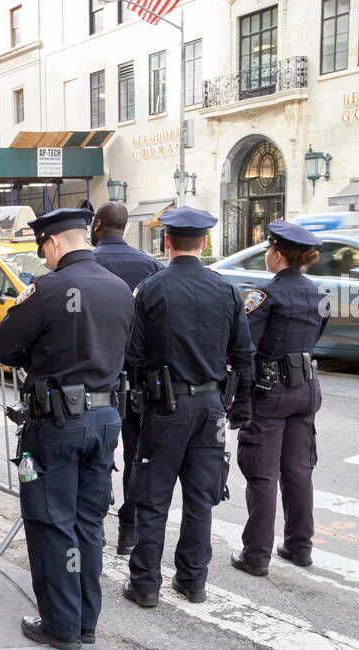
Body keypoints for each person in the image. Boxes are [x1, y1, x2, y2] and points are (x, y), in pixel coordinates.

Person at [0, 208, 132, 650]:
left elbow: (1, 347)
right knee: (88, 521)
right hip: (105, 420)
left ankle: (61, 626)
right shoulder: (120, 288)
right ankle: (86, 620)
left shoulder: (49, 289)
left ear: (51, 243)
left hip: (56, 423)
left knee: (51, 521)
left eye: (41, 248)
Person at [123, 206, 254, 608]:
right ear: (204, 243)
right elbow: (244, 354)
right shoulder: (227, 289)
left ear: (167, 242)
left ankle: (146, 585)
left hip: (166, 406)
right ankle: (193, 580)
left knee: (153, 497)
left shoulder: (151, 289)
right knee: (201, 499)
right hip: (212, 405)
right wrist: (242, 404)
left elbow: (133, 354)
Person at [230, 220, 329, 575]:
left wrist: (239, 395)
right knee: (299, 471)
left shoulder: (264, 294)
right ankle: (300, 545)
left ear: (277, 254)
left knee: (262, 473)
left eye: (269, 250)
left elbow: (246, 347)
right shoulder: (319, 293)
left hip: (271, 392)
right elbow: (315, 338)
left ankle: (256, 556)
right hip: (306, 388)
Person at [90, 201, 162, 556]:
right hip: (137, 375)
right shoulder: (150, 266)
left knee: (98, 450)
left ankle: (94, 528)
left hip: (96, 374)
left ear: (98, 225)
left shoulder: (87, 263)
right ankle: (128, 530)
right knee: (136, 454)